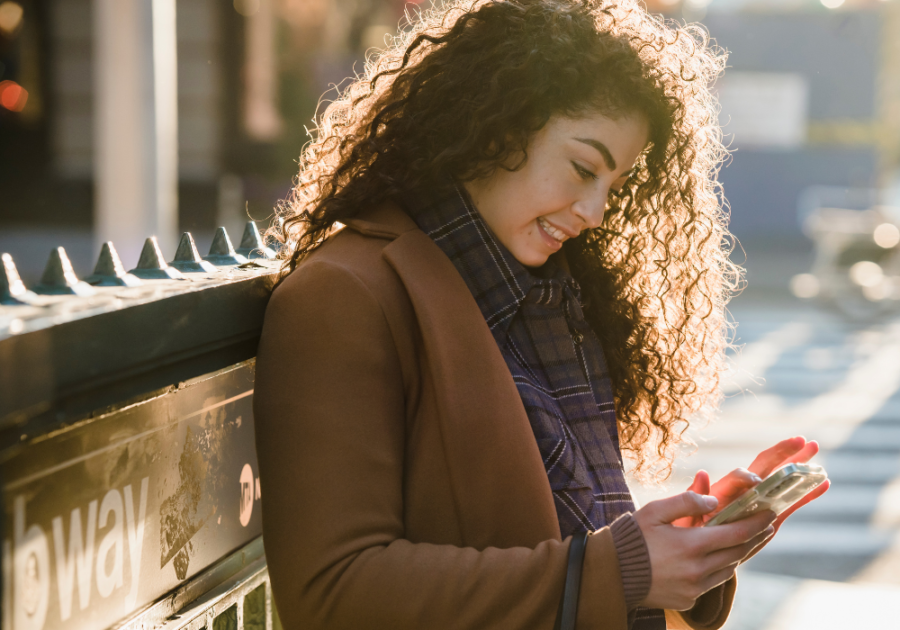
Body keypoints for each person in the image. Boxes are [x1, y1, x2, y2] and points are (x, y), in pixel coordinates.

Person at [253, 0, 830, 628]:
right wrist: (622, 568)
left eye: (614, 186)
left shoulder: (553, 300)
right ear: (495, 128)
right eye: (584, 168)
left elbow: (566, 541)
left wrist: (684, 548)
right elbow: (334, 594)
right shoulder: (345, 295)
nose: (595, 211)